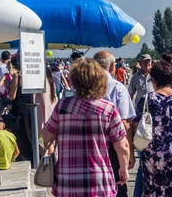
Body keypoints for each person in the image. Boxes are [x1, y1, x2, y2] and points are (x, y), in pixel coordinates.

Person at [43, 58, 130, 197]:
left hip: (67, 182)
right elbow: (122, 146)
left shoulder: (62, 106)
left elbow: (47, 136)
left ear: (74, 80)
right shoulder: (108, 108)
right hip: (99, 182)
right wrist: (123, 170)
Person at [94, 51, 136, 197]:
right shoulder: (118, 88)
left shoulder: (80, 87)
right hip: (113, 146)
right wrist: (129, 152)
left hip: (89, 145)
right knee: (117, 186)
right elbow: (125, 124)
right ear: (112, 66)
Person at [131, 59, 172, 197]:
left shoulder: (147, 99)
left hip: (152, 153)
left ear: (153, 80)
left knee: (152, 189)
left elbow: (136, 126)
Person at [35, 64, 57, 154]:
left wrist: (44, 121)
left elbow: (44, 102)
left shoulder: (43, 82)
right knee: (47, 141)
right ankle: (49, 159)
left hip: (43, 115)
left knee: (44, 141)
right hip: (49, 113)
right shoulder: (50, 82)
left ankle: (47, 161)